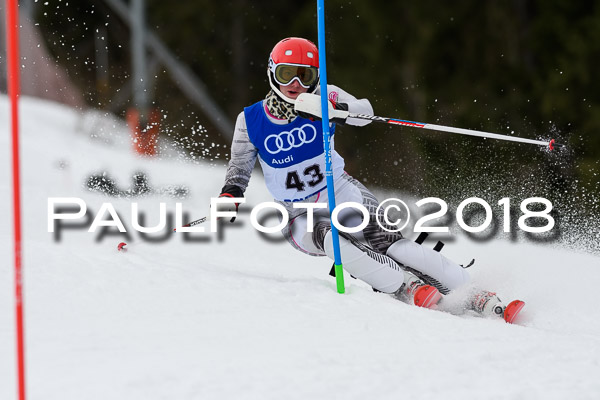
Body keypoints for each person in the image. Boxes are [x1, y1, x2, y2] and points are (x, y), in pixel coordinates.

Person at [218, 37, 521, 321]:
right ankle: (406, 285)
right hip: (295, 212)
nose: (296, 85)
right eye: (287, 75)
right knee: (331, 239)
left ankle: (474, 292)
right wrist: (230, 196)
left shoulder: (325, 95)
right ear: (272, 74)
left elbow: (366, 111)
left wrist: (334, 111)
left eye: (305, 76)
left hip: (338, 189)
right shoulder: (251, 119)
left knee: (389, 243)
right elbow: (239, 168)